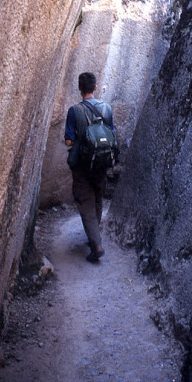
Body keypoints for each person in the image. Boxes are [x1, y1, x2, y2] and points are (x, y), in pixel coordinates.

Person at [64, 72, 115, 263]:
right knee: (98, 197)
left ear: (79, 88)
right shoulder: (107, 108)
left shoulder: (74, 111)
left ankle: (96, 245)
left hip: (82, 166)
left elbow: (69, 139)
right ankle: (95, 236)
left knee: (85, 202)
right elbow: (113, 134)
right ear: (95, 87)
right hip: (101, 163)